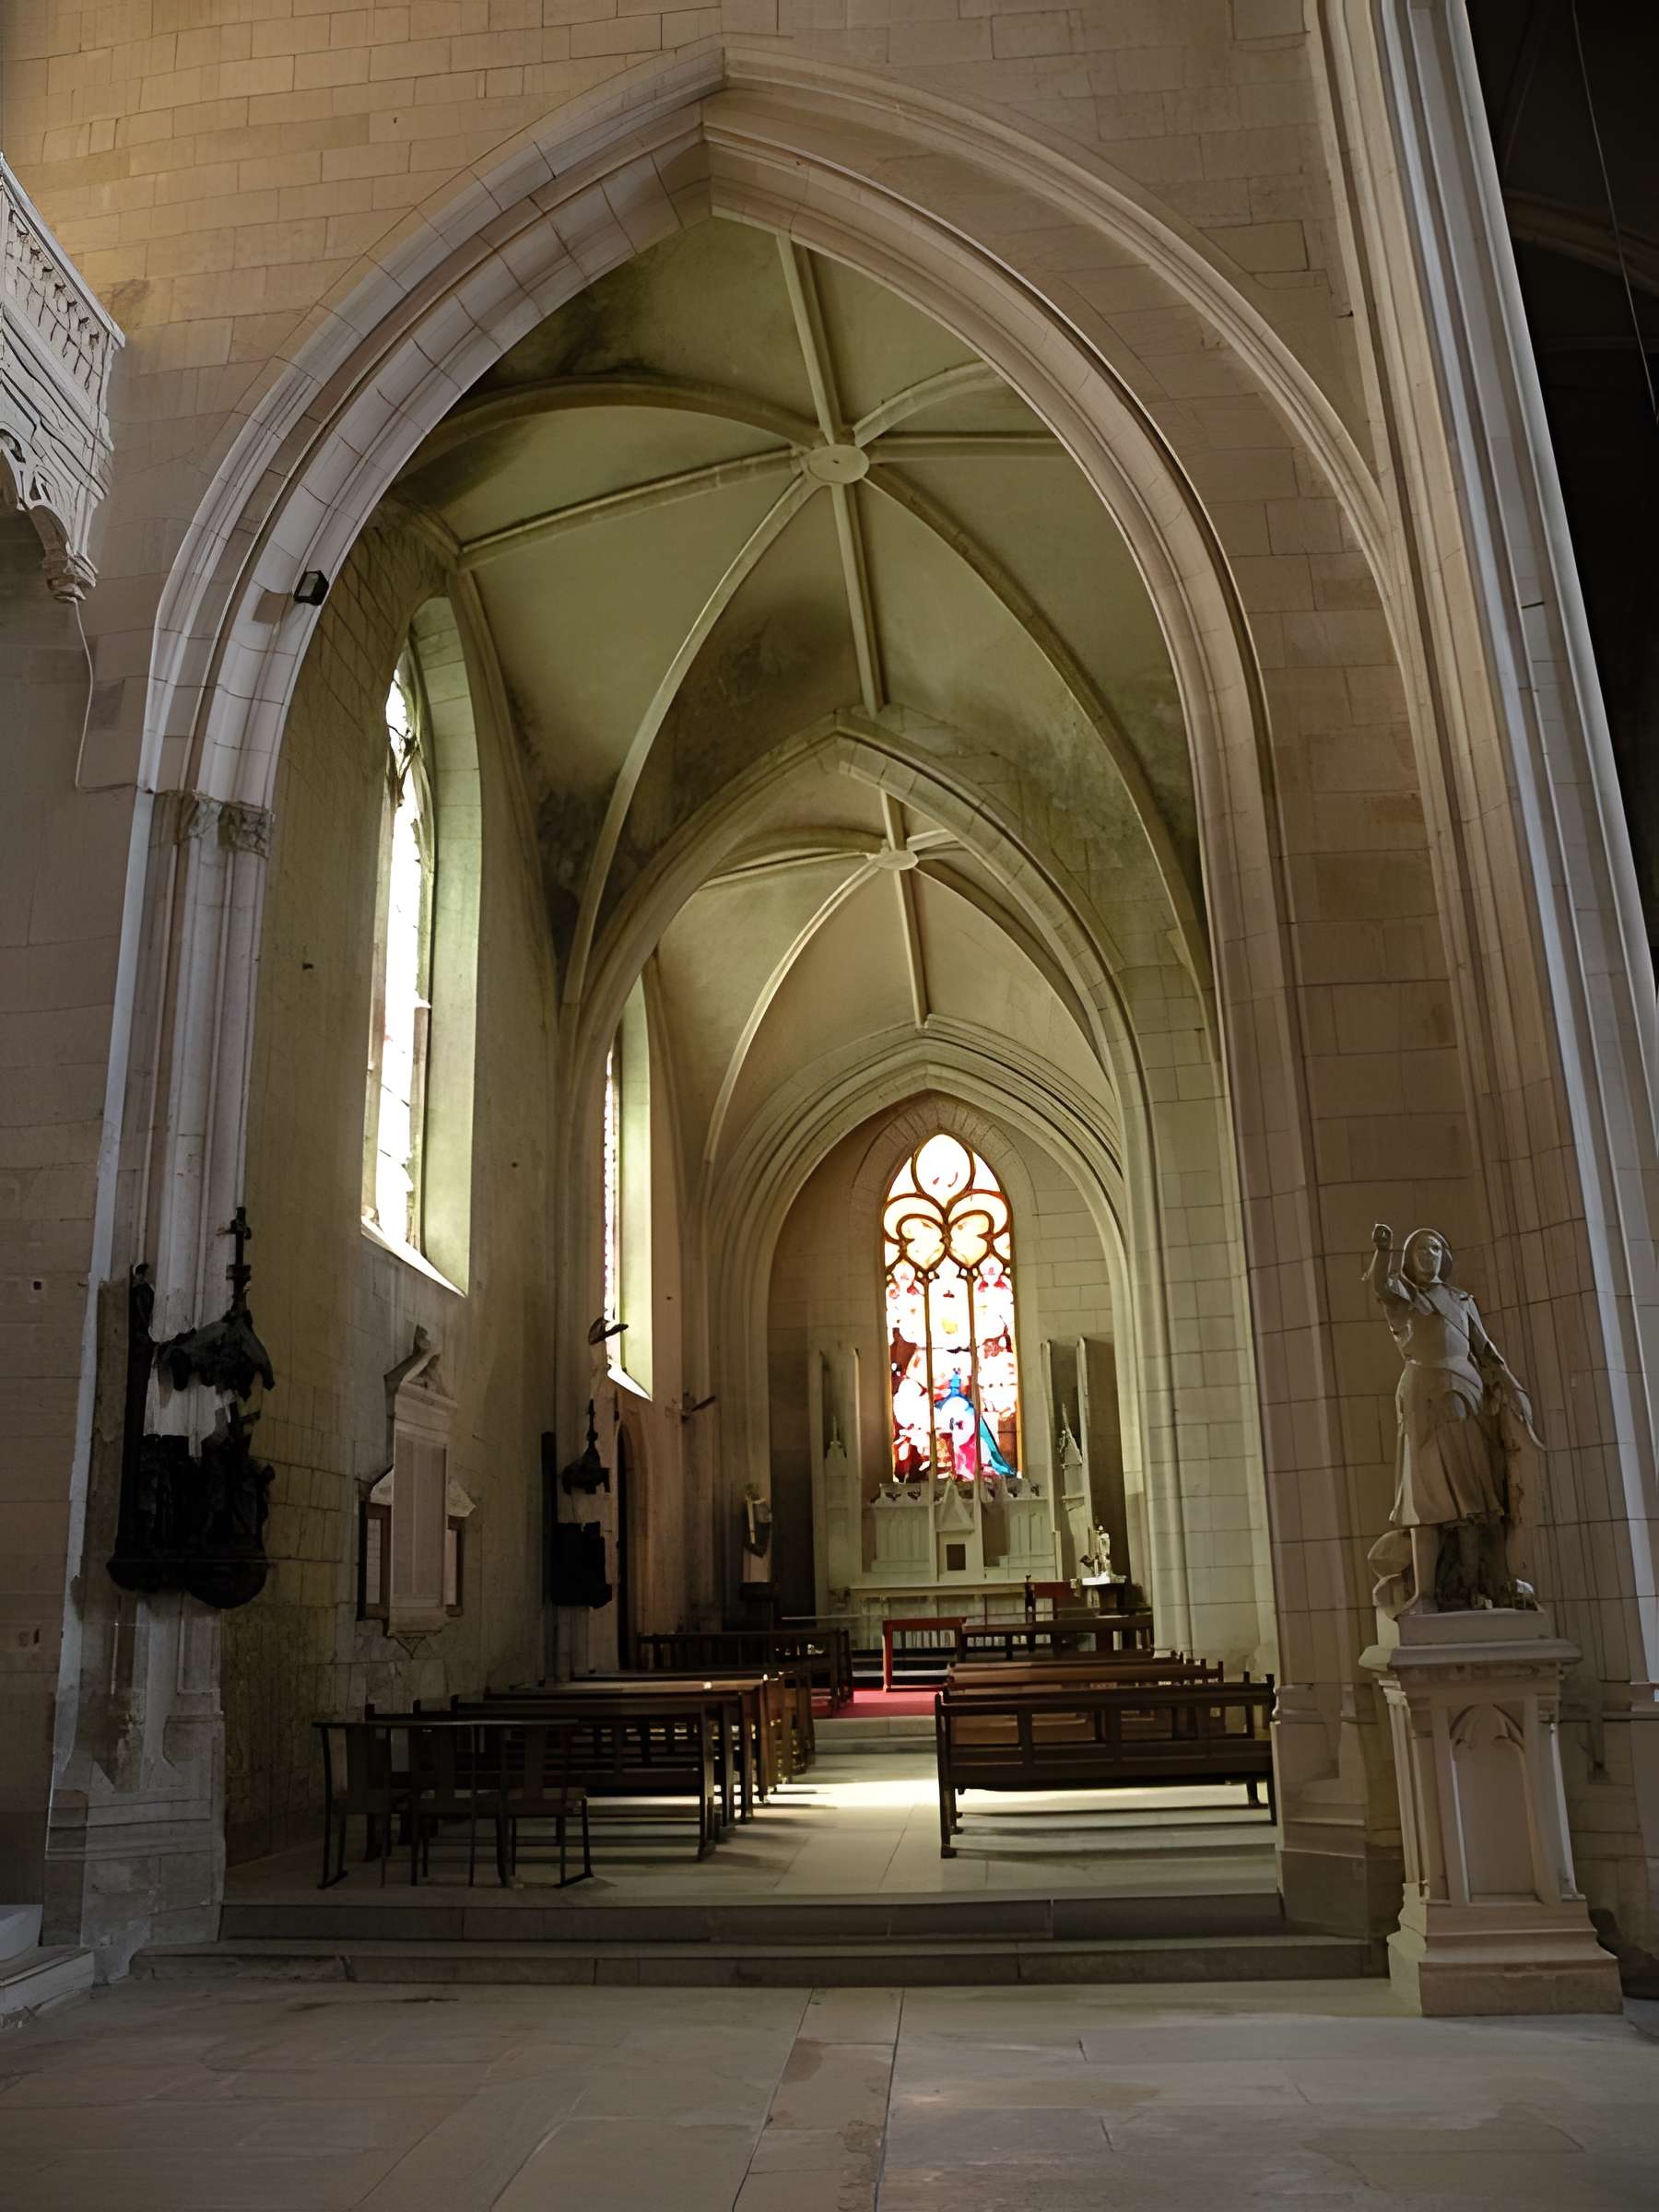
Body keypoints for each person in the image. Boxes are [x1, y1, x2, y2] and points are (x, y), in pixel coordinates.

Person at [1365, 1223, 1539, 1611]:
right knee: (1424, 1500)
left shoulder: (1461, 1300)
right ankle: (1425, 1593)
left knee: (1473, 1498)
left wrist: (1513, 1391)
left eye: (1436, 1249)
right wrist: (1383, 1251)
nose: (1430, 1256)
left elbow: (1486, 1351)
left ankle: (1477, 1587)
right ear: (1410, 1259)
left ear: (1445, 1257)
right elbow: (1380, 1287)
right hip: (1424, 1397)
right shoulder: (1406, 1298)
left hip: (1467, 1393)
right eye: (1422, 1250)